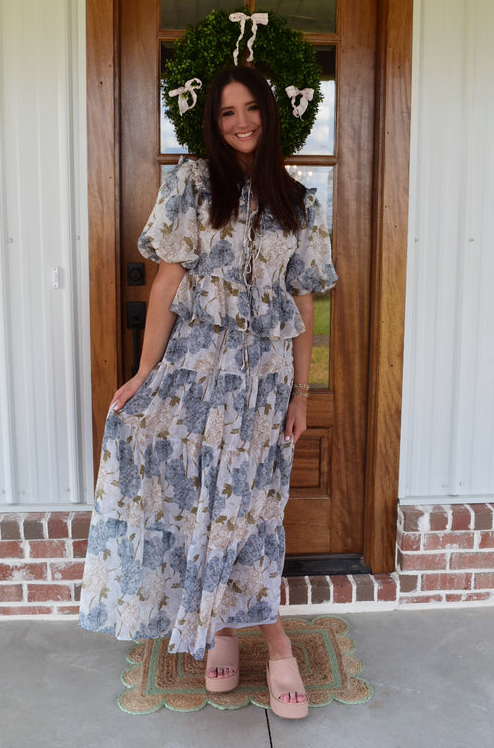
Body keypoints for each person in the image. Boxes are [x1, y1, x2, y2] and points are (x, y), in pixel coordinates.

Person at [79, 66, 337, 720]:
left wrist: (300, 395)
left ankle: (272, 639)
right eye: (226, 113)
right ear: (212, 123)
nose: (241, 122)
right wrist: (144, 374)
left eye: (250, 109)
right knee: (199, 504)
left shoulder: (298, 202)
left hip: (262, 381)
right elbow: (166, 284)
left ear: (269, 115)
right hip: (194, 372)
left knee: (252, 513)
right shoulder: (192, 185)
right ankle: (222, 630)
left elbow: (302, 298)